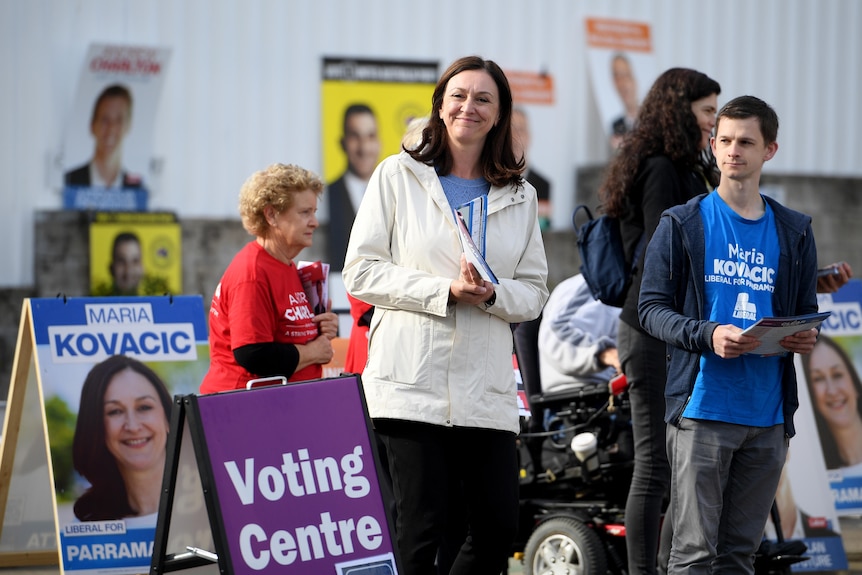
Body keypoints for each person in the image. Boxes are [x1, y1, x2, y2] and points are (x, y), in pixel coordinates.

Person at [343, 55, 549, 575]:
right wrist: (444, 291)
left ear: (500, 114)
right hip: (411, 383)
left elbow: (534, 291)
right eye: (458, 95)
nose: (469, 107)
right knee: (419, 530)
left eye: (484, 99)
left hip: (485, 391)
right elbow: (361, 273)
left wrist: (491, 296)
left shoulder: (520, 195)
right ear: (439, 104)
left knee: (498, 529)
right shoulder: (396, 175)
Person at [638, 95, 820, 574]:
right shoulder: (682, 223)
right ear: (713, 146)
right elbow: (650, 310)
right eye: (724, 140)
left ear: (769, 151)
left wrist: (803, 336)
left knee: (740, 556)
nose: (733, 151)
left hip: (768, 417)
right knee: (693, 554)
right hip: (702, 410)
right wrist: (707, 333)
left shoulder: (796, 231)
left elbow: (804, 312)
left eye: (746, 142)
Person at [597, 67, 721, 575]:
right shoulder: (661, 168)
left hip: (675, 329)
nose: (715, 123)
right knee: (655, 464)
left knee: (675, 465)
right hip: (654, 329)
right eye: (708, 111)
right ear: (679, 109)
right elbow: (659, 252)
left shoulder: (685, 166)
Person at [199, 163, 339, 394]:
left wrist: (323, 329)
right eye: (305, 212)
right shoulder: (253, 272)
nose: (314, 222)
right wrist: (313, 352)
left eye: (314, 212)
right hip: (243, 407)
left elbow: (286, 334)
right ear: (271, 215)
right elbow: (252, 353)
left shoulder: (286, 266)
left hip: (277, 404)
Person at [72, 354, 171, 521]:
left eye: (144, 407)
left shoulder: (212, 502)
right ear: (96, 426)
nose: (132, 426)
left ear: (168, 418)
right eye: (115, 411)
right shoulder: (86, 527)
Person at [538, 273, 621, 394]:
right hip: (583, 396)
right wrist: (605, 353)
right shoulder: (584, 287)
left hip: (624, 393)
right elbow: (556, 334)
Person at [327, 103, 382, 271]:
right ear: (343, 143)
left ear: (379, 142)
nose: (364, 148)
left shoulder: (395, 192)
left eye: (370, 136)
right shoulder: (327, 194)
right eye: (355, 136)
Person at [801, 334, 862, 470]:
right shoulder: (815, 470)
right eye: (818, 379)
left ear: (854, 382)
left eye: (837, 375)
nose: (832, 391)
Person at [65, 84, 143, 189]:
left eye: (119, 120)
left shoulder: (137, 189)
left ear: (128, 126)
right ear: (92, 126)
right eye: (105, 120)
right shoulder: (69, 181)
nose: (111, 128)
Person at [511, 107, 552, 229]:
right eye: (511, 129)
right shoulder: (490, 179)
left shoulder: (542, 184)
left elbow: (543, 227)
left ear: (529, 137)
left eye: (520, 130)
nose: (515, 136)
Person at [609, 53, 640, 150]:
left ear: (634, 80)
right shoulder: (616, 124)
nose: (622, 84)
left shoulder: (649, 119)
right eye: (617, 77)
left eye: (626, 75)